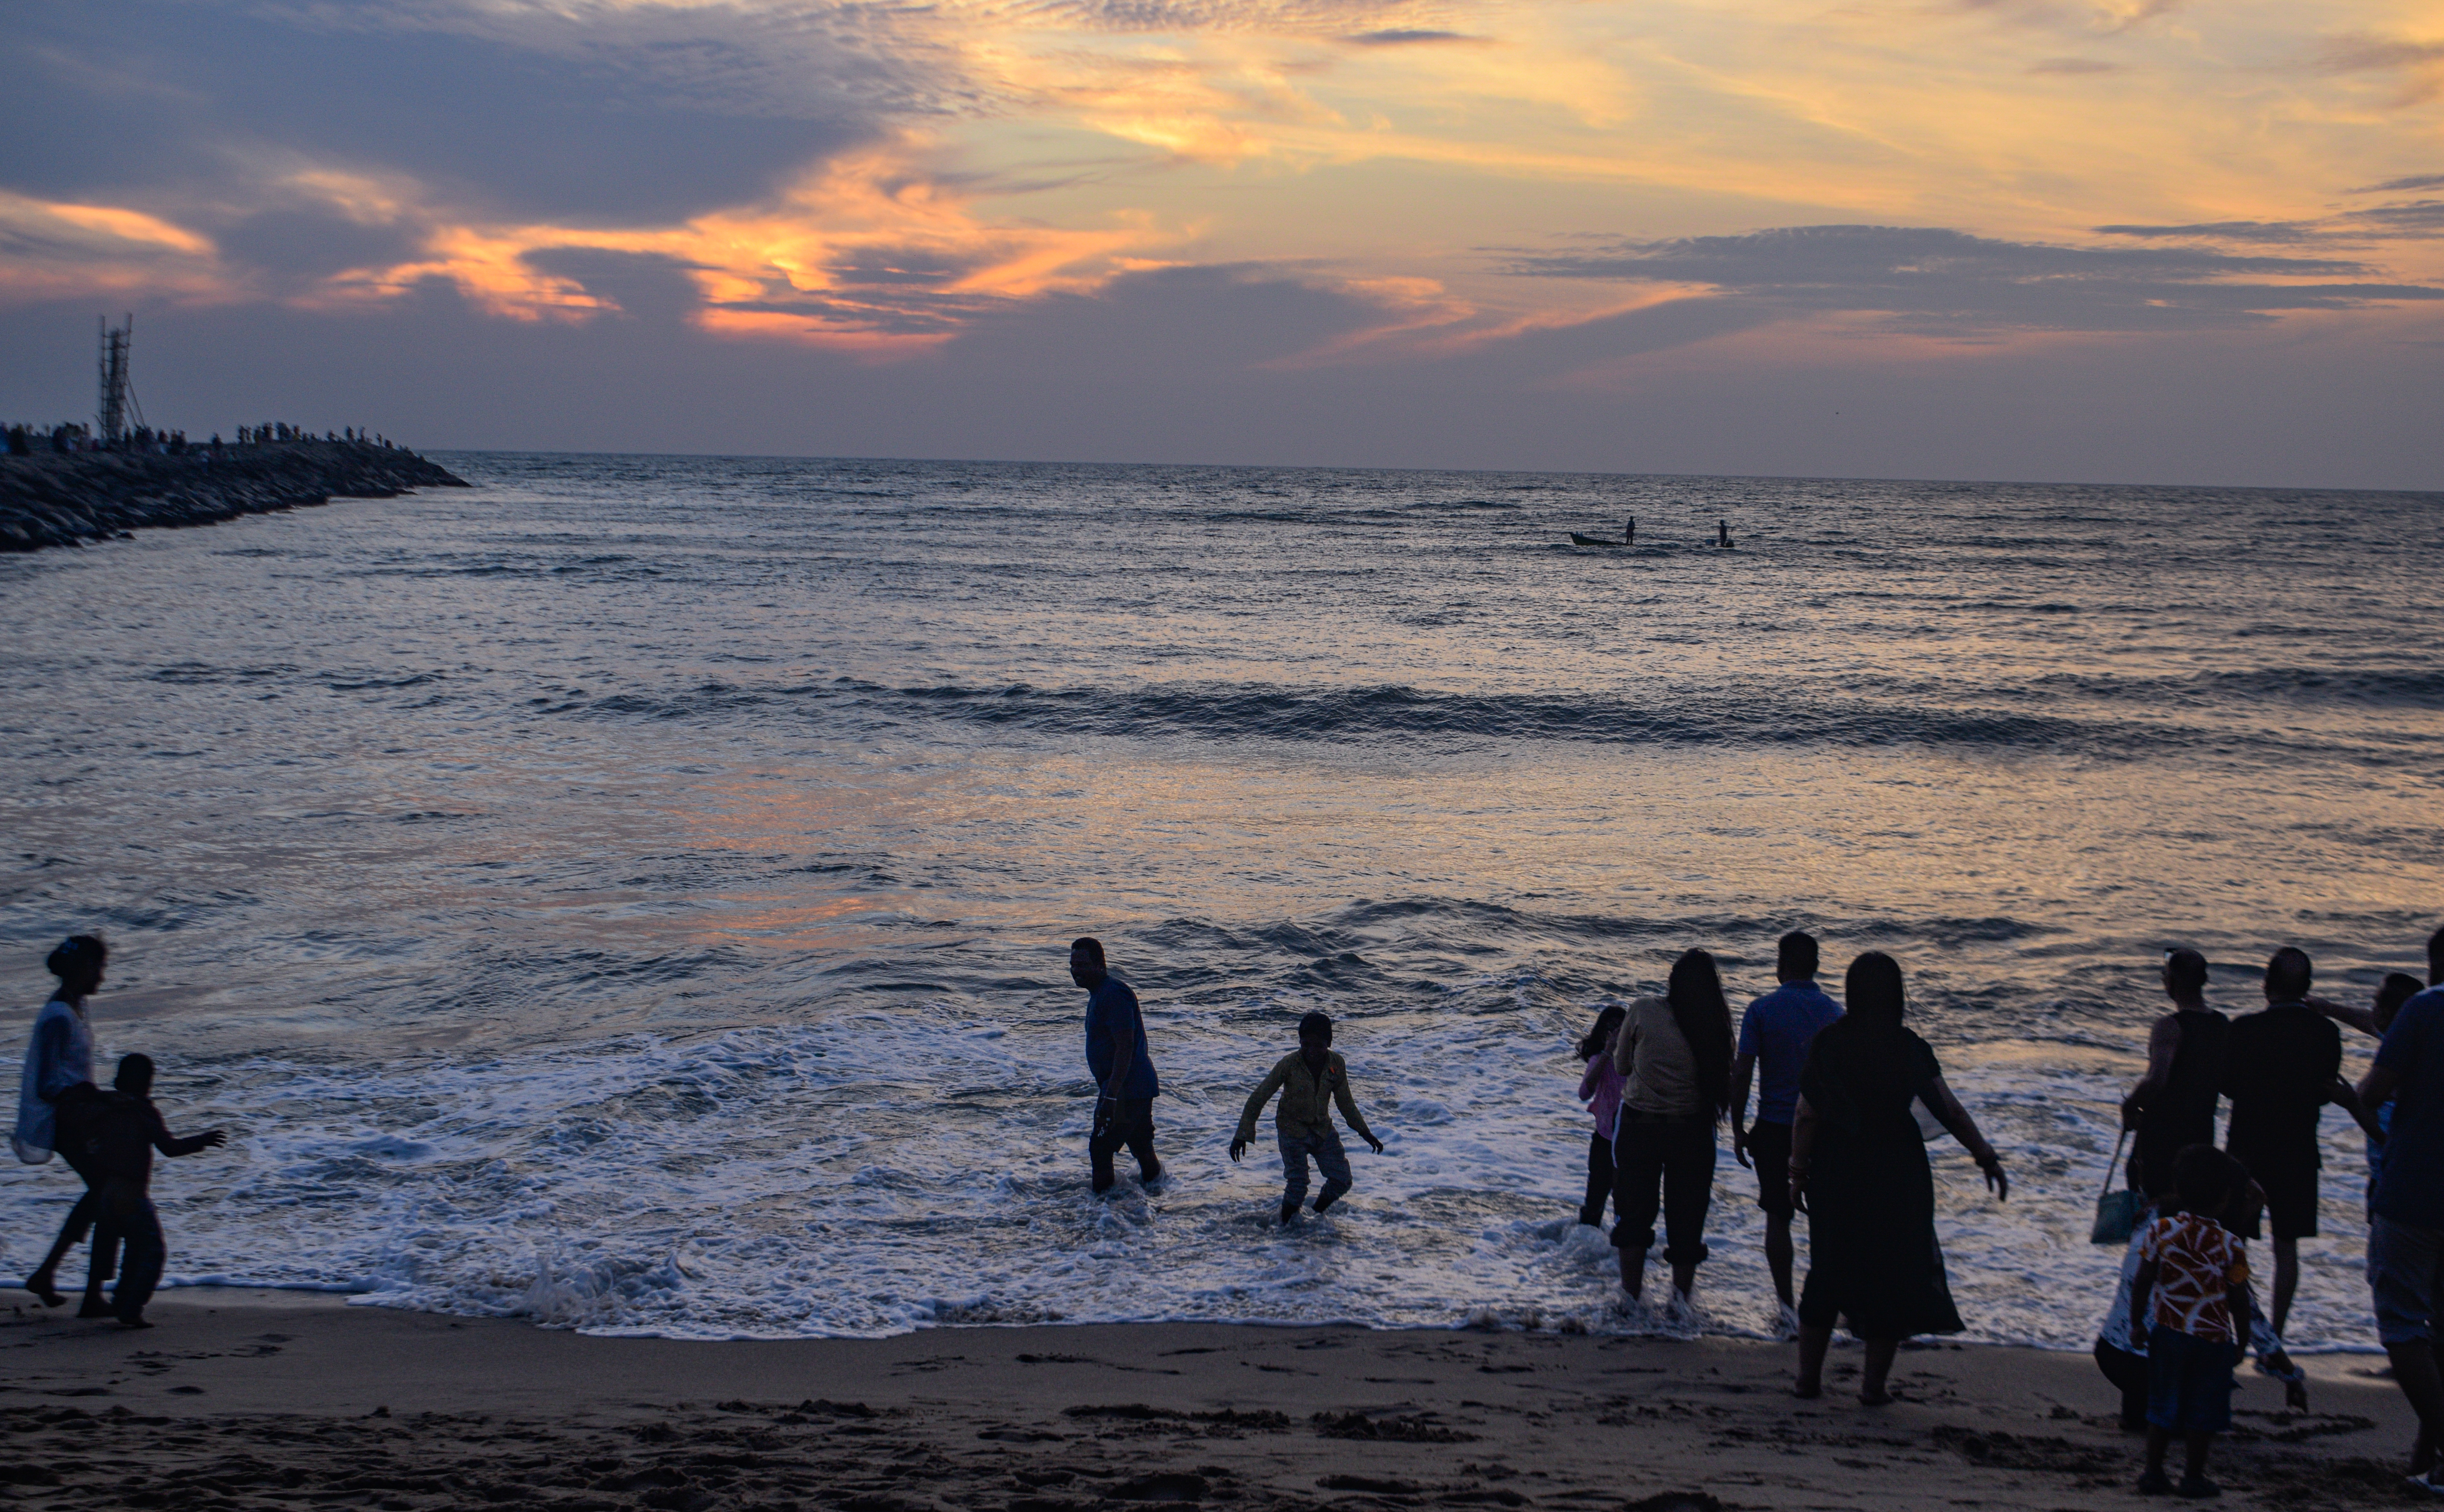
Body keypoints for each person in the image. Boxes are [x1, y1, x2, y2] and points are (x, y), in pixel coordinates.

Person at [1791, 951, 2007, 1404]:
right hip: (1897, 1172)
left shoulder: (1830, 1043)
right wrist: (1985, 1155)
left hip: (1838, 1172)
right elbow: (1950, 1111)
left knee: (1827, 1270)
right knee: (1889, 1275)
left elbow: (1808, 1114)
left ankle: (1808, 1380)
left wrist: (1798, 1172)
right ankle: (1873, 1387)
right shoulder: (1908, 1046)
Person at [2222, 947, 2383, 1336]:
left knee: (2234, 1242)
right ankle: (2276, 1333)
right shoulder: (2325, 1032)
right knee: (2287, 1247)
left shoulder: (2244, 1028)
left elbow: (2227, 1086)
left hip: (2247, 1148)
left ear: (2267, 984)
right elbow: (2326, 1092)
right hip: (2298, 1150)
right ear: (2307, 987)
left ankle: (2239, 1325)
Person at [2356, 925, 2444, 1492]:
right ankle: (2425, 1457)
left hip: (2416, 1190)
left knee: (2403, 1328)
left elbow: (2371, 1092)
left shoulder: (2424, 1009)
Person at [1609, 949, 1733, 1316]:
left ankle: (1630, 1301)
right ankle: (1680, 1305)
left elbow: (1621, 1066)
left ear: (1672, 982)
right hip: (1693, 1130)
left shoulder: (1644, 1010)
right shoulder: (1714, 1025)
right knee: (1687, 1219)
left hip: (1641, 1125)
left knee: (1634, 1215)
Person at [1730, 930, 1843, 1327]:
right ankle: (1831, 1305)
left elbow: (1743, 1072)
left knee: (1778, 1217)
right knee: (1826, 1221)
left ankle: (1786, 1307)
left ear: (1780, 966)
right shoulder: (1836, 1013)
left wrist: (1738, 1128)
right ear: (1816, 966)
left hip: (1775, 1127)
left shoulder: (1761, 1010)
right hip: (1826, 1130)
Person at [2131, 1144, 2252, 1498]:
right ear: (2225, 1197)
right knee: (2204, 1410)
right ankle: (2193, 1477)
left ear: (2178, 1190)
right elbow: (2240, 1298)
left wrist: (2137, 1323)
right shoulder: (2232, 1246)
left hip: (2167, 1332)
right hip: (2212, 1340)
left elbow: (2143, 1280)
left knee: (2161, 1404)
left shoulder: (2160, 1231)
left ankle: (2154, 1472)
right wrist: (2243, 1341)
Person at [81, 1053, 227, 1328]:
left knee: (134, 1251)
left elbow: (90, 1145)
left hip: (106, 1194)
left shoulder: (102, 1110)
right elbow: (169, 1148)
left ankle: (122, 1302)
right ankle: (131, 1308)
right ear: (147, 1084)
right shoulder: (142, 1112)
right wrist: (203, 1140)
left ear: (118, 1080)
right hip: (132, 1195)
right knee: (152, 1253)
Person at [15, 935, 110, 1312]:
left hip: (80, 1116)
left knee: (104, 1192)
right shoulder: (58, 1016)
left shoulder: (77, 1005)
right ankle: (84, 1290)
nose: (102, 977)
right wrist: (86, 1094)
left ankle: (55, 1276)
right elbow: (47, 1083)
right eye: (99, 968)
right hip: (66, 1121)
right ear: (83, 968)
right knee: (108, 1191)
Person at [1231, 1011, 1384, 1224]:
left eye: (1319, 1046)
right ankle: (1285, 1226)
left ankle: (1316, 1214)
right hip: (1291, 1131)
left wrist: (1365, 1133)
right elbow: (1259, 1097)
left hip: (1322, 1130)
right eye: (1306, 1045)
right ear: (1300, 1042)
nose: (1312, 1051)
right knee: (1298, 1184)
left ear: (1329, 1043)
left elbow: (1346, 1103)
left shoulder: (1336, 1064)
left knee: (1342, 1180)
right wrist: (1242, 1135)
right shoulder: (1289, 1065)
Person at [2122, 949, 2228, 1201]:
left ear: (2171, 982)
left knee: (2150, 1198)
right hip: (2201, 1131)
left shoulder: (2170, 1026)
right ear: (2204, 980)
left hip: (2163, 1135)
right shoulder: (2222, 1024)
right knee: (2190, 1200)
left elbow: (2157, 1079)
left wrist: (2130, 1106)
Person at [1071, 937, 1161, 1196]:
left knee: (1100, 1149)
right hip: (1130, 1087)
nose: (1075, 971)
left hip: (1126, 1090)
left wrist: (1111, 1095)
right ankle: (1158, 1192)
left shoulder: (1113, 994)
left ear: (1101, 965)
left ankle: (1103, 1208)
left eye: (1082, 965)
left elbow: (1125, 1047)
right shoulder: (1101, 994)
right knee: (1141, 1146)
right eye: (1073, 965)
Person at [2367, 972, 2426, 1214]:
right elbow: (2366, 1022)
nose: (2372, 1009)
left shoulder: (2398, 1068)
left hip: (2393, 1185)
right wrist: (2328, 1008)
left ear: (2386, 1014)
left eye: (2376, 1002)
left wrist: (2350, 1103)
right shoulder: (2418, 1042)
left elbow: (2390, 1141)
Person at [1575, 1004, 1629, 1228]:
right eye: (1611, 1029)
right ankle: (1585, 1242)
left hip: (1631, 1141)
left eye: (1621, 1028)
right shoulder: (1599, 1060)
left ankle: (1620, 1245)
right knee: (1595, 1203)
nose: (1616, 1034)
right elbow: (1584, 1093)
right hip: (1605, 1140)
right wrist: (1608, 1052)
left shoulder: (1637, 1059)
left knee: (1627, 1204)